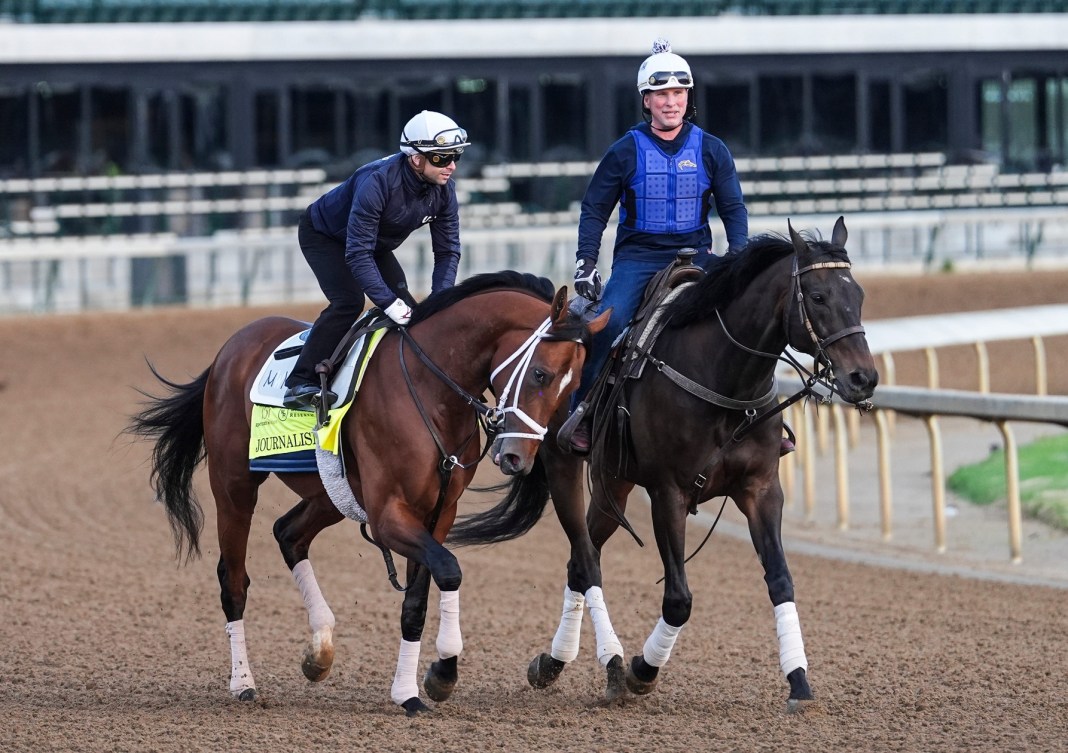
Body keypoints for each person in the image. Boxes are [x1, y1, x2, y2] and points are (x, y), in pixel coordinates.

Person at [557, 39, 750, 455]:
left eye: (679, 93)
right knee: (608, 324)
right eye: (662, 94)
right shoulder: (623, 151)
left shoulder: (713, 149)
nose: (671, 102)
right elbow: (594, 210)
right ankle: (584, 413)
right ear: (646, 100)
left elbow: (733, 208)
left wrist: (740, 256)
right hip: (637, 259)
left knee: (748, 317)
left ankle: (761, 419)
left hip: (697, 254)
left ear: (687, 97)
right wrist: (585, 262)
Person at [282, 110, 468, 410]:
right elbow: (356, 255)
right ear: (415, 158)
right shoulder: (377, 183)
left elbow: (447, 251)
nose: (451, 166)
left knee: (415, 314)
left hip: (372, 243)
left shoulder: (445, 190)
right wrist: (389, 303)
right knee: (349, 302)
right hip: (326, 237)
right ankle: (300, 382)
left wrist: (441, 298)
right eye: (441, 158)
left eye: (455, 156)